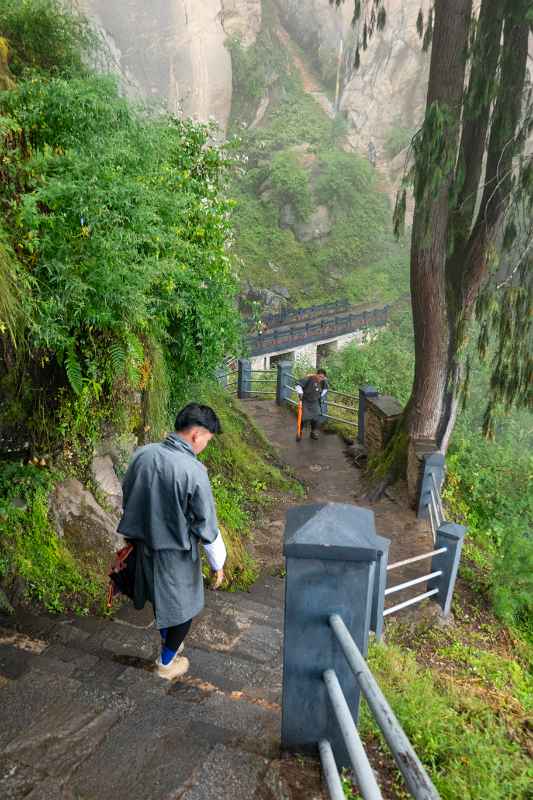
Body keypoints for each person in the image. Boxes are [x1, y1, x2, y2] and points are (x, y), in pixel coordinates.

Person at [117, 403, 226, 680]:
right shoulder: (193, 470)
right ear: (196, 435)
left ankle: (169, 645)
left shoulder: (143, 454)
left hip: (141, 547)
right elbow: (206, 525)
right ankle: (166, 664)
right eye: (207, 440)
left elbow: (127, 493)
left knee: (160, 600)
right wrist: (218, 564)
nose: (205, 446)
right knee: (183, 610)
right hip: (175, 555)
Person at [295, 368, 328, 440]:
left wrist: (320, 395)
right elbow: (298, 384)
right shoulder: (309, 378)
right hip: (305, 400)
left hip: (315, 402)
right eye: (319, 376)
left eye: (322, 377)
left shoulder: (323, 381)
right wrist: (300, 392)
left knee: (316, 417)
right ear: (316, 375)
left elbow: (325, 389)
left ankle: (313, 432)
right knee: (303, 418)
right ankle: (299, 432)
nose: (320, 378)